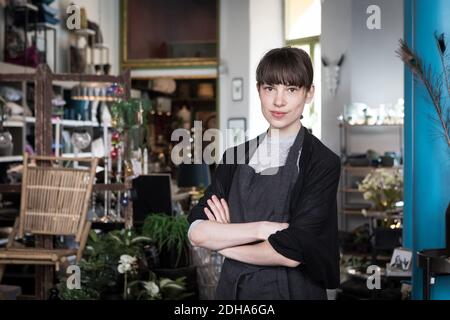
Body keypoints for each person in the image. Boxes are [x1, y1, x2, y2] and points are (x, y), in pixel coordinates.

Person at [187, 47, 341, 300]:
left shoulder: (321, 162)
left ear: (309, 93)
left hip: (293, 291)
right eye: (270, 88)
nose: (278, 101)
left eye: (291, 90)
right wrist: (262, 230)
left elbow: (291, 254)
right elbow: (198, 233)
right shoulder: (234, 156)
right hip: (232, 292)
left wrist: (224, 244)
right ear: (259, 89)